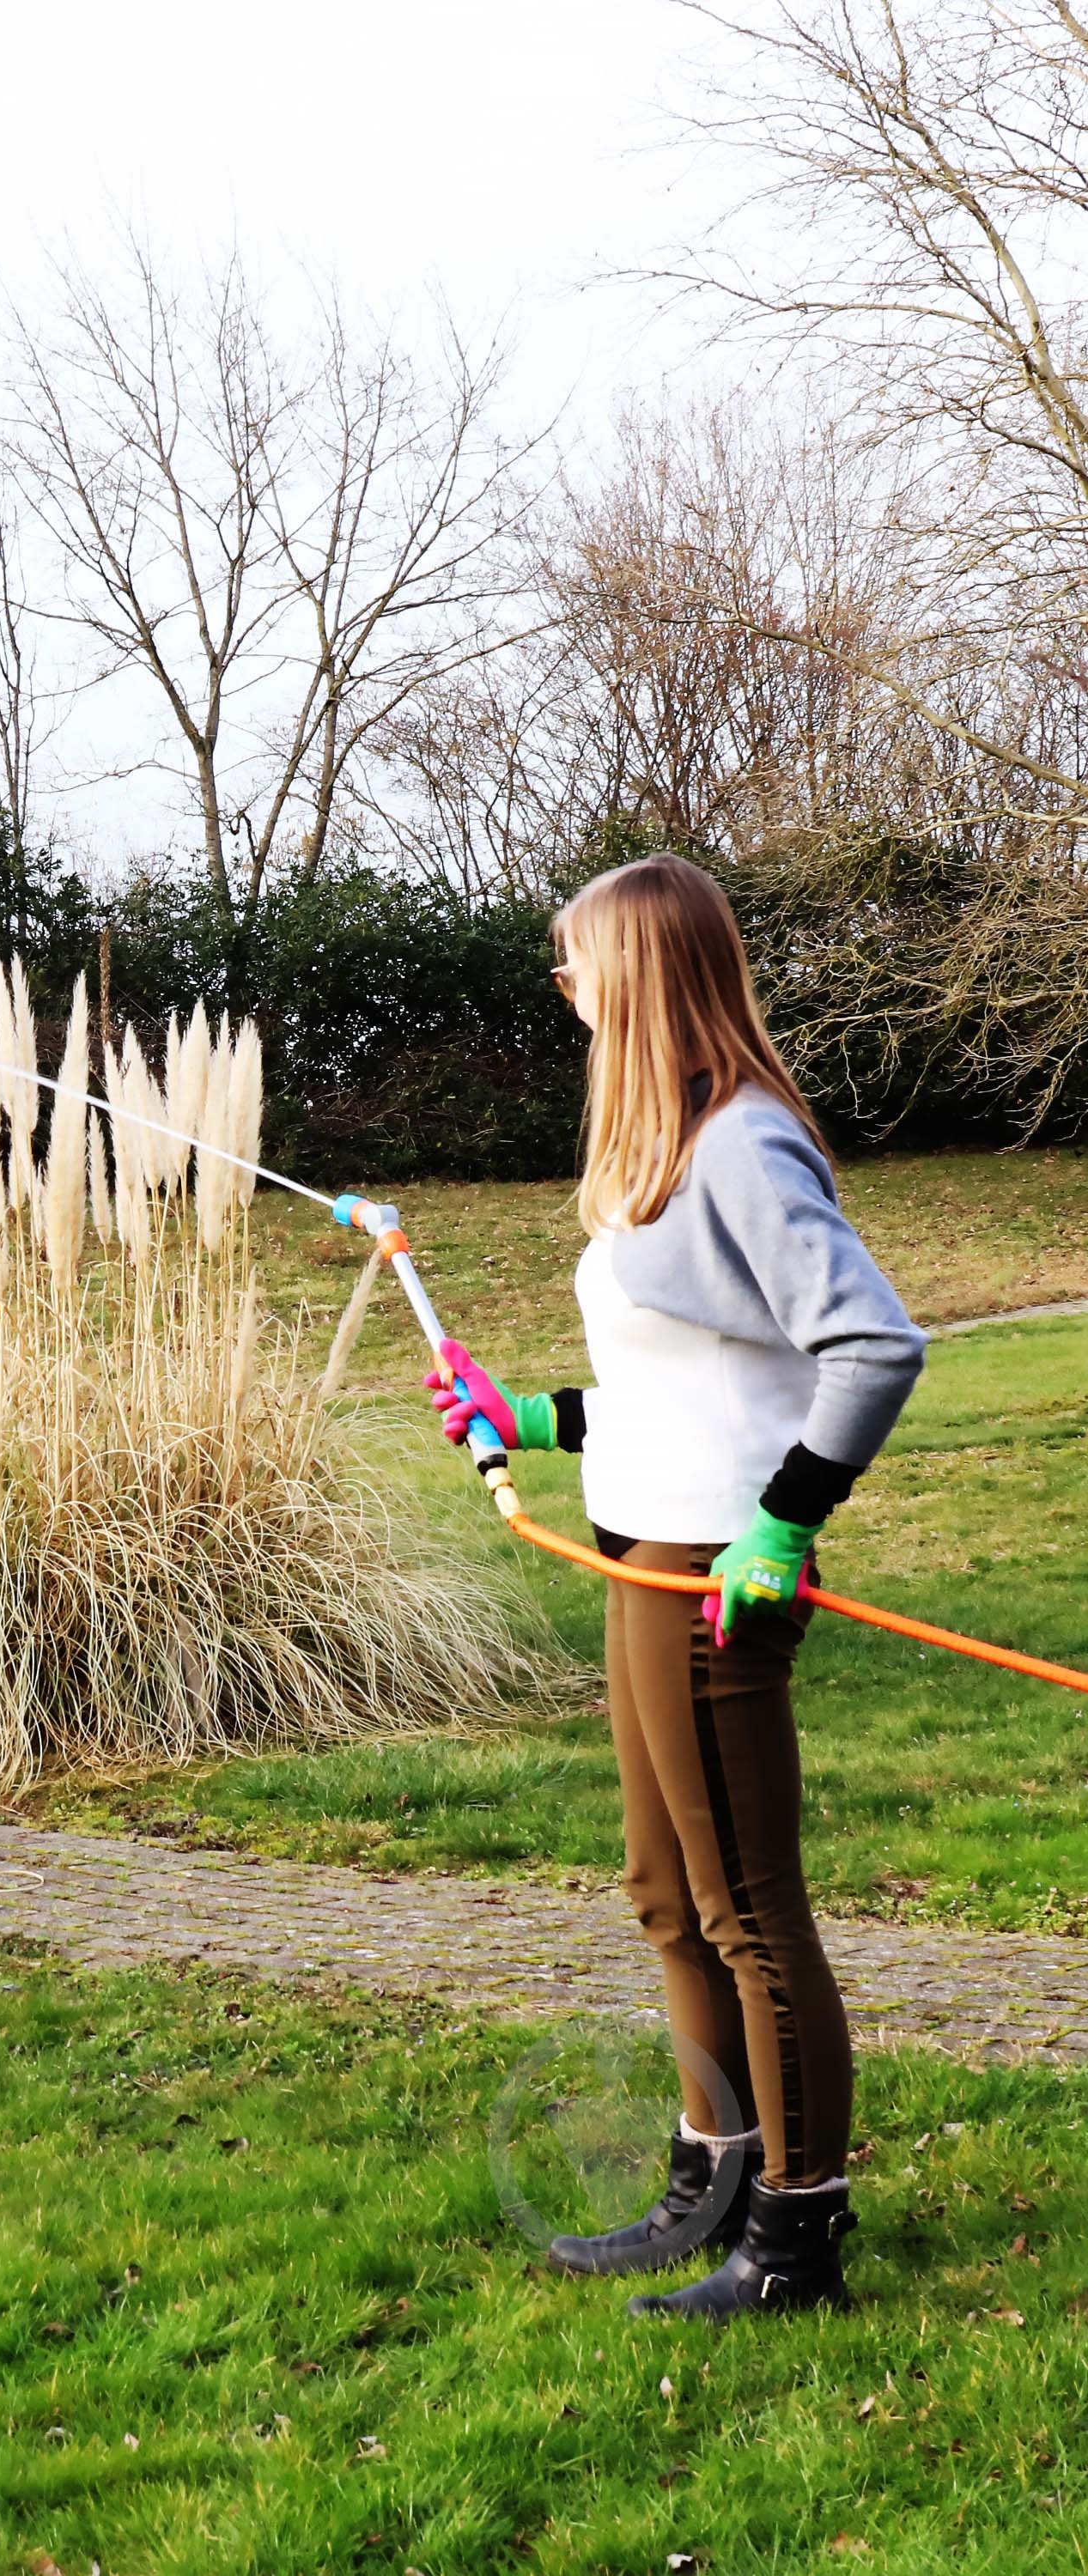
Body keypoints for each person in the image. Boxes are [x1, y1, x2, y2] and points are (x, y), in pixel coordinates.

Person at [427, 853, 924, 2321]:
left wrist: (786, 1523)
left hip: (716, 1571)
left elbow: (872, 1347)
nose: (563, 982)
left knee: (748, 1906)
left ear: (637, 974)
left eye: (577, 961)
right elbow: (695, 1371)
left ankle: (797, 2239)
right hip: (641, 1549)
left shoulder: (743, 1146)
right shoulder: (672, 1140)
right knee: (668, 1897)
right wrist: (535, 1418)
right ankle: (715, 2180)